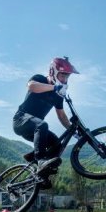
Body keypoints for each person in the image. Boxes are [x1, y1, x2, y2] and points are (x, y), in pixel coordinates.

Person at [12, 57, 79, 186]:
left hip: (35, 129)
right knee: (42, 125)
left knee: (57, 144)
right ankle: (40, 159)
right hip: (21, 120)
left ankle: (41, 175)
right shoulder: (40, 79)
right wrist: (53, 88)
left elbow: (61, 116)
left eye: (67, 77)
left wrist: (73, 131)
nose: (64, 80)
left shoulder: (58, 95)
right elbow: (32, 86)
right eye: (62, 76)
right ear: (53, 72)